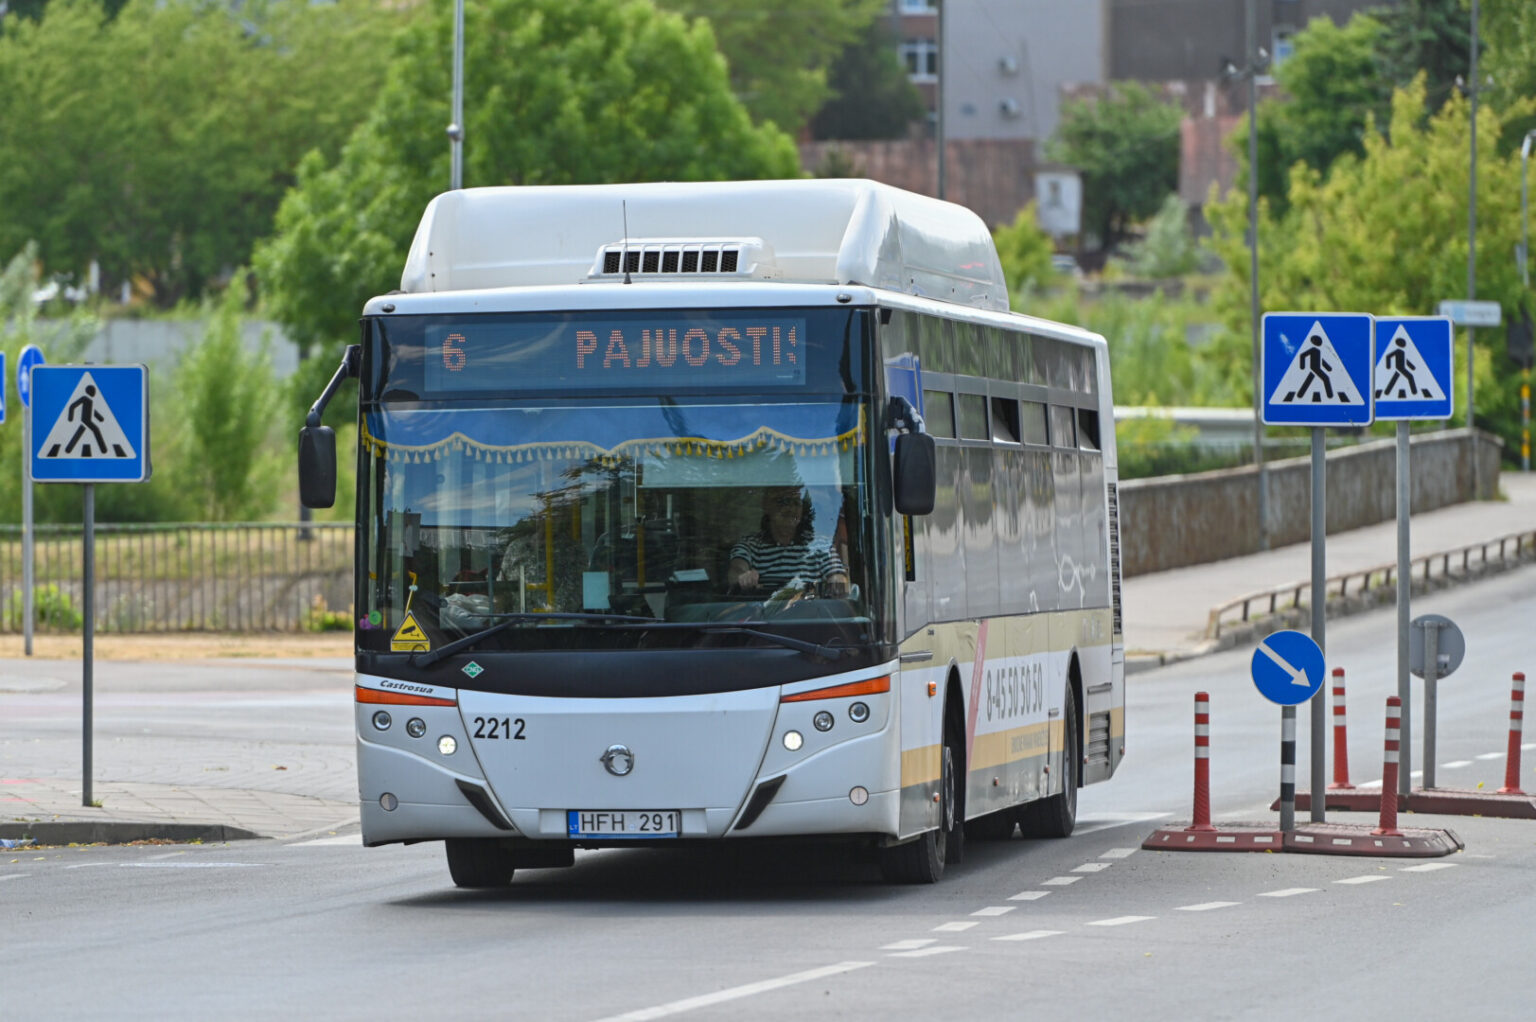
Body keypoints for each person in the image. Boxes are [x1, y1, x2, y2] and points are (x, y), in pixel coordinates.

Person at [727, 485, 848, 594]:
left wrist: (837, 581)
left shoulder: (820, 544)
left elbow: (837, 574)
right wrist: (744, 577)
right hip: (763, 617)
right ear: (766, 506)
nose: (790, 509)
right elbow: (737, 569)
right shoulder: (749, 545)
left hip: (810, 616)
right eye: (783, 502)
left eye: (796, 503)